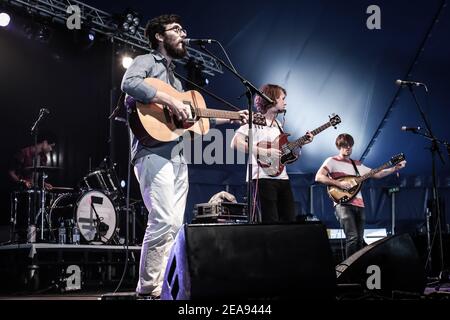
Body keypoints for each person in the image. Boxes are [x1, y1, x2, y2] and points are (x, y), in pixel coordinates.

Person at [121, 14, 248, 299]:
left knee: (176, 224)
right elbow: (129, 83)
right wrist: (168, 100)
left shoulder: (176, 79)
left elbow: (191, 120)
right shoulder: (147, 61)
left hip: (177, 156)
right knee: (163, 219)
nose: (183, 32)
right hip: (152, 152)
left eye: (182, 28)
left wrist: (229, 119)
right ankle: (147, 289)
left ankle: (164, 287)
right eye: (176, 29)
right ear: (159, 36)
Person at [315, 133, 406, 258]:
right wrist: (338, 183)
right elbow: (319, 177)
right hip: (343, 204)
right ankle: (350, 271)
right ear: (339, 146)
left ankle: (358, 269)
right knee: (352, 237)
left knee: (359, 240)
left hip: (360, 204)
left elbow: (377, 174)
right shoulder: (331, 161)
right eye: (345, 146)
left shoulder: (357, 164)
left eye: (350, 146)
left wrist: (394, 168)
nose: (348, 148)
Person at [231, 84, 313, 223]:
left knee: (289, 220)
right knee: (270, 222)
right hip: (261, 178)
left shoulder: (278, 125)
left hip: (282, 178)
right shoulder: (255, 119)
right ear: (272, 99)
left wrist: (300, 145)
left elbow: (284, 153)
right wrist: (263, 151)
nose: (285, 102)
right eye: (282, 98)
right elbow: (235, 143)